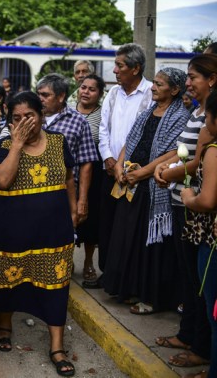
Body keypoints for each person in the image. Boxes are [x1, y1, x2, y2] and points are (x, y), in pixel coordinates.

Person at [0, 91, 77, 377]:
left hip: (53, 232)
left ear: (42, 115)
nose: (24, 122)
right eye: (16, 118)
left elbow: (69, 178)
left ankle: (57, 346)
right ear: (10, 122)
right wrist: (16, 144)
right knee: (8, 282)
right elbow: (1, 180)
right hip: (11, 232)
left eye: (30, 116)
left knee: (56, 286)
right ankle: (4, 325)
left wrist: (75, 213)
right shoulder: (4, 145)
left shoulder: (59, 143)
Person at [103, 68, 190, 315]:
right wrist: (120, 166)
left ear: (174, 90)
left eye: (159, 84)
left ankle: (150, 297)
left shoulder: (180, 117)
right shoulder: (147, 112)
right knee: (128, 239)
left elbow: (173, 153)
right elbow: (130, 142)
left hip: (151, 187)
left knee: (148, 245)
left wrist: (142, 173)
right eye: (154, 83)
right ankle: (130, 289)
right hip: (130, 184)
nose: (153, 87)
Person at [154, 53, 216, 370]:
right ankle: (187, 333)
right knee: (187, 278)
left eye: (193, 77)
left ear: (212, 79)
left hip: (194, 208)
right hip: (181, 201)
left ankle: (201, 347)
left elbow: (199, 162)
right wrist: (167, 168)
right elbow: (185, 157)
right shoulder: (197, 112)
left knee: (198, 283)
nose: (188, 82)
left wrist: (168, 173)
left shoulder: (212, 117)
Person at [89, 43, 153, 289]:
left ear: (136, 68)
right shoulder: (114, 93)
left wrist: (125, 168)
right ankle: (108, 274)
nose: (115, 71)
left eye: (120, 65)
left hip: (135, 175)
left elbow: (143, 134)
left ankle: (125, 279)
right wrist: (108, 158)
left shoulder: (149, 93)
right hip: (110, 170)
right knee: (106, 224)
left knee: (128, 229)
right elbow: (103, 129)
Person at [180, 88, 217, 378]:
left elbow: (206, 201)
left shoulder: (214, 151)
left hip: (213, 242)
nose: (203, 125)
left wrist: (189, 195)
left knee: (213, 310)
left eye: (206, 119)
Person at [37, 73, 98, 240]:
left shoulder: (78, 121)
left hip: (64, 192)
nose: (40, 99)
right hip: (33, 190)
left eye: (45, 95)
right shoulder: (31, 118)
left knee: (62, 239)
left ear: (61, 96)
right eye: (38, 94)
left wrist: (82, 201)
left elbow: (86, 163)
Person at [75, 74, 106, 283]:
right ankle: (66, 260)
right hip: (68, 172)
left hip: (93, 173)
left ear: (100, 94)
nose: (86, 92)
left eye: (91, 89)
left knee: (90, 220)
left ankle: (88, 262)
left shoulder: (104, 115)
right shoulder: (67, 112)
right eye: (83, 87)